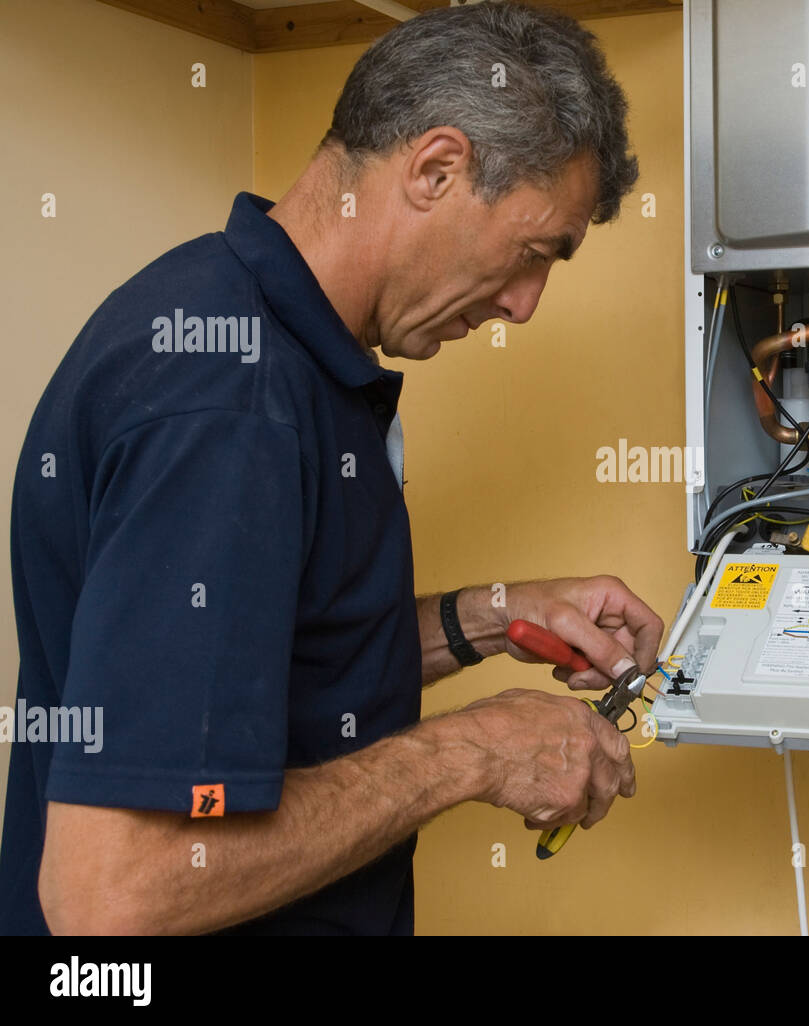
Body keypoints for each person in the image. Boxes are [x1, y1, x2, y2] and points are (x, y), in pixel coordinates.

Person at [0, 2, 661, 935]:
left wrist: (491, 619)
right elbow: (114, 894)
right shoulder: (230, 405)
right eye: (533, 253)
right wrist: (473, 751)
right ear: (436, 168)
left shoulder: (260, 332)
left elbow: (271, 664)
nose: (525, 306)